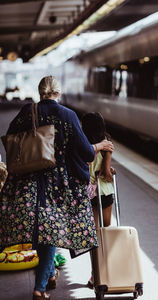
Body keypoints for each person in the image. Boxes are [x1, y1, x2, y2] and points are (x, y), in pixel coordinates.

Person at [0, 76, 114, 300]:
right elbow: (85, 152)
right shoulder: (67, 115)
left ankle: (50, 274)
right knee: (49, 232)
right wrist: (100, 146)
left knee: (42, 230)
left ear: (40, 91)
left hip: (27, 182)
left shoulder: (26, 112)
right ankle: (40, 288)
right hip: (58, 184)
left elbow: (11, 141)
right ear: (58, 93)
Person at [81, 112, 114, 288]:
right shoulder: (107, 145)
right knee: (106, 232)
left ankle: (95, 274)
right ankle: (108, 270)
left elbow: (83, 167)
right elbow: (107, 173)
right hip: (105, 192)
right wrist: (109, 172)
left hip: (90, 193)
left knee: (93, 236)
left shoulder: (85, 146)